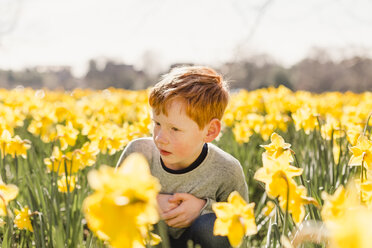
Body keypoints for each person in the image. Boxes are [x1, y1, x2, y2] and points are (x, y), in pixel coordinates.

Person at [116, 65, 248, 248]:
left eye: (175, 129)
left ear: (210, 131)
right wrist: (147, 201)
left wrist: (203, 209)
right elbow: (113, 201)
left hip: (195, 241)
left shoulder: (226, 169)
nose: (160, 138)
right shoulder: (139, 153)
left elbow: (241, 223)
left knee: (210, 226)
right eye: (157, 123)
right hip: (147, 242)